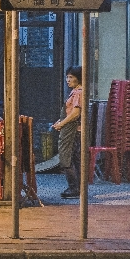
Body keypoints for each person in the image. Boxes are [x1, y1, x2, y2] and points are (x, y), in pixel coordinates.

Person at [53, 66, 83, 199]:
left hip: (73, 131)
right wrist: (59, 121)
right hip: (70, 129)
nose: (68, 80)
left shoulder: (79, 93)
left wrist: (62, 123)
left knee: (66, 158)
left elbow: (75, 114)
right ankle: (77, 187)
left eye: (71, 77)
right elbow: (68, 112)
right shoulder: (74, 92)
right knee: (74, 159)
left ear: (79, 78)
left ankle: (74, 187)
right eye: (67, 77)